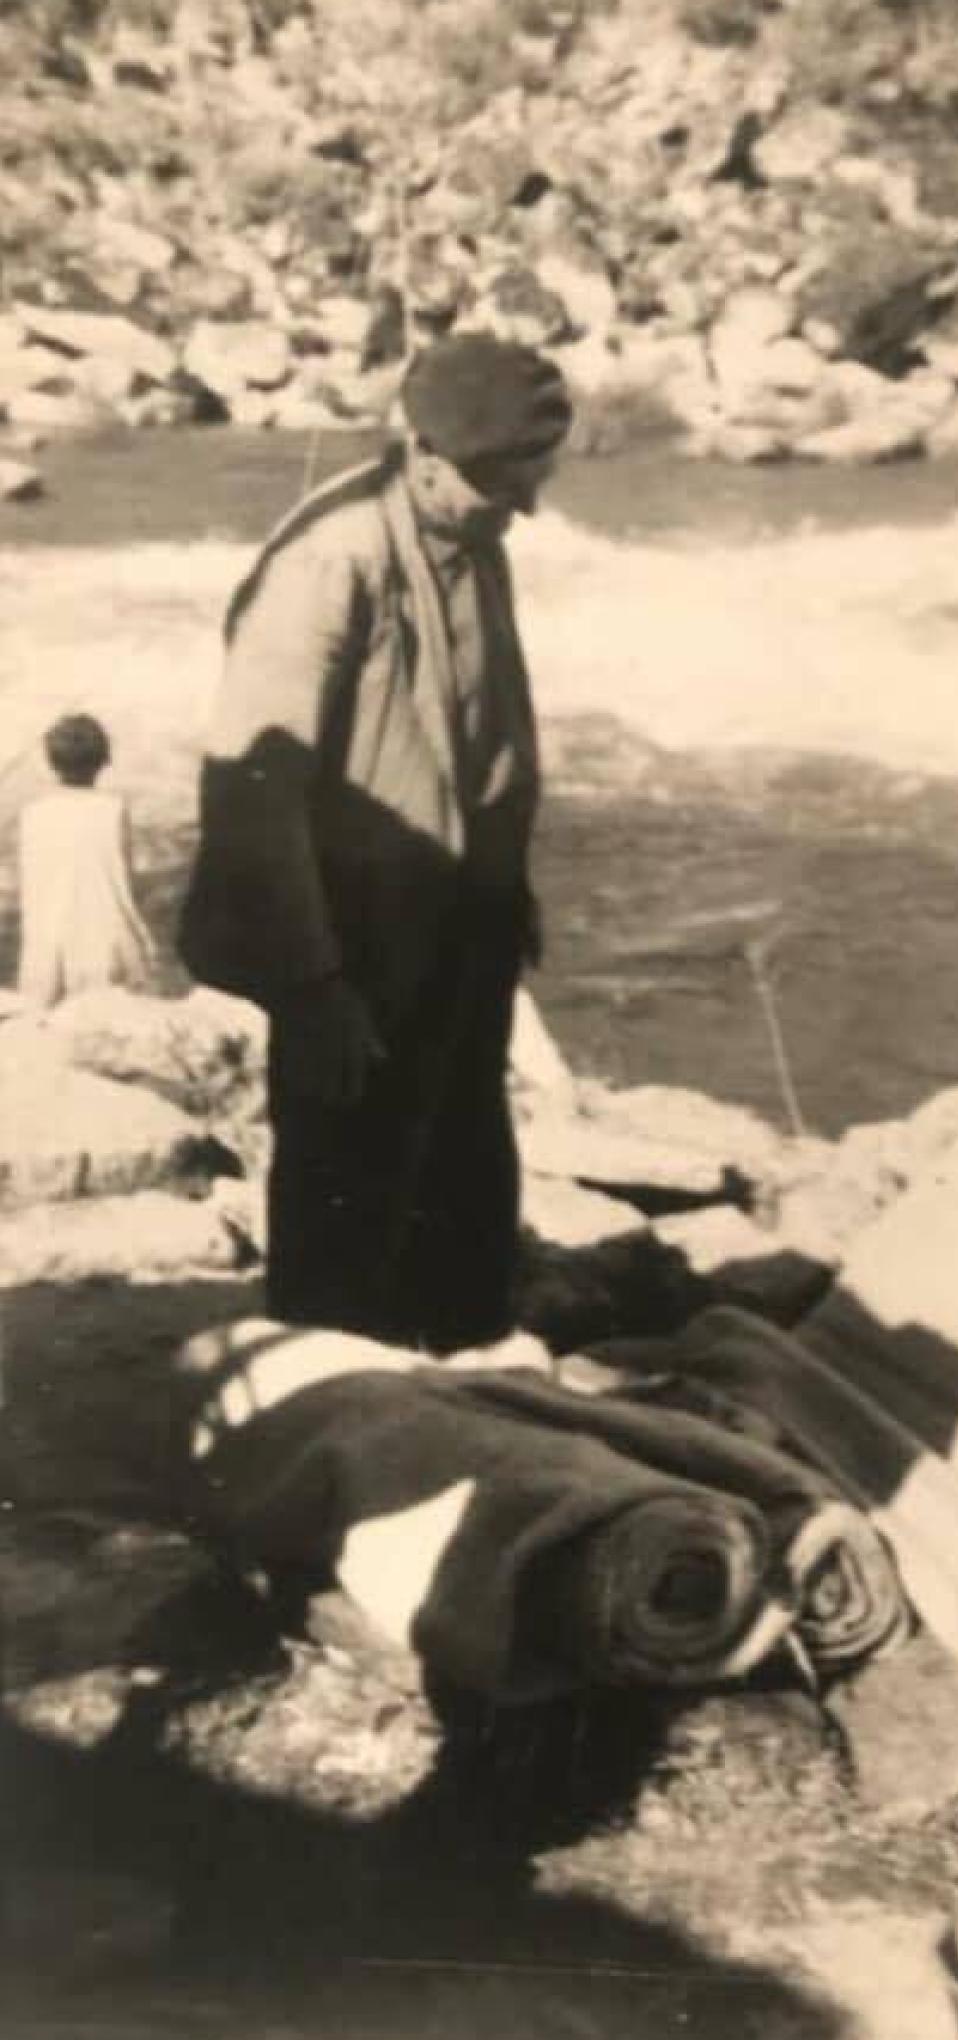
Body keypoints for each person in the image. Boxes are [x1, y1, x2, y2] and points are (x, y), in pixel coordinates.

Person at [178, 332, 574, 1355]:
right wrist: (311, 987)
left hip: (459, 924)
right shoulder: (329, 560)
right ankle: (337, 1411)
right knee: (345, 1183)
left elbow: (490, 729)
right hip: (352, 943)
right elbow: (253, 795)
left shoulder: (472, 532)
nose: (521, 506)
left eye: (531, 477)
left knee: (462, 1160)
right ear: (425, 451)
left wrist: (508, 888)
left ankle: (461, 1365)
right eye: (501, 482)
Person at [16, 712, 155, 1008]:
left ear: (51, 762)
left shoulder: (33, 815)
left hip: (48, 951)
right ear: (103, 761)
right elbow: (125, 883)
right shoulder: (113, 810)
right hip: (106, 947)